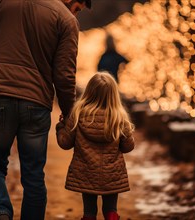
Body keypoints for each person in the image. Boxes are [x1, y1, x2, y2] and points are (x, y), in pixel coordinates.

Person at [0, 0, 92, 219]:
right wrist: (69, 111)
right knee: (34, 177)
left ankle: (1, 212)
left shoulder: (1, 3)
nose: (76, 15)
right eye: (77, 9)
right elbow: (64, 74)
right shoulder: (66, 19)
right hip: (36, 104)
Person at [56, 72, 135, 220]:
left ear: (89, 92)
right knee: (110, 209)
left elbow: (65, 143)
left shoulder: (78, 114)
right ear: (113, 95)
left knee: (89, 212)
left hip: (86, 172)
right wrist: (128, 133)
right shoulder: (119, 118)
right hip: (112, 174)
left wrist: (61, 127)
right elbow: (127, 147)